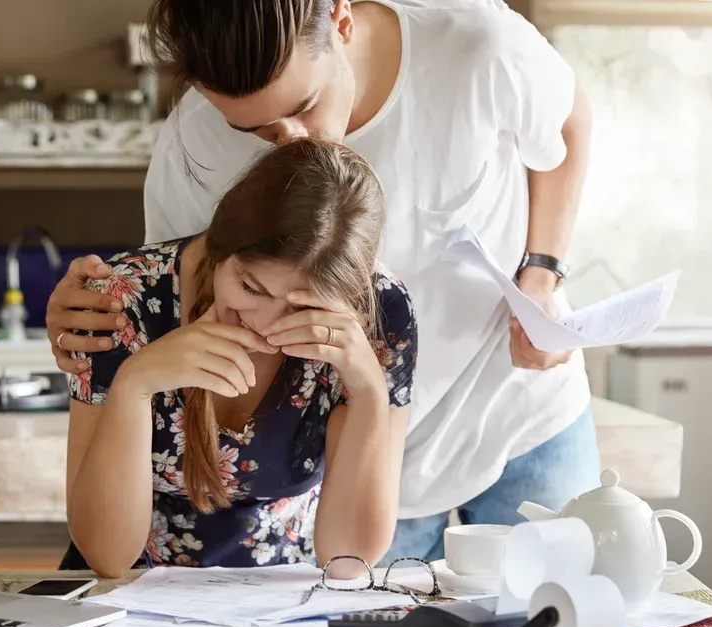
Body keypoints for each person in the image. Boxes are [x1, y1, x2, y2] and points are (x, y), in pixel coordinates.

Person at [47, 0, 600, 563]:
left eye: (305, 106)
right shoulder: (194, 141)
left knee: (567, 593)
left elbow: (567, 122)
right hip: (352, 452)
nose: (291, 142)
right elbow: (164, 289)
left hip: (513, 400)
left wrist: (543, 271)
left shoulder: (477, 46)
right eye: (255, 131)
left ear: (341, 20)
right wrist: (89, 313)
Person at [60, 139, 417, 578]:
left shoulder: (381, 314)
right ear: (219, 245)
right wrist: (133, 386)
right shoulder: (121, 298)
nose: (265, 324)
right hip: (130, 590)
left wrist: (369, 393)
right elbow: (106, 557)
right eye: (251, 288)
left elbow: (348, 563)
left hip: (285, 596)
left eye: (303, 307)